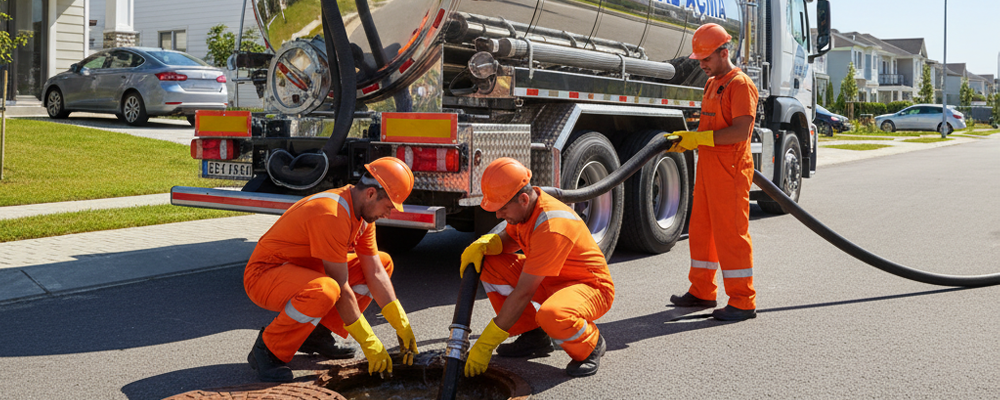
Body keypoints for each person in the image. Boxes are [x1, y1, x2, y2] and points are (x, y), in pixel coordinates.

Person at [243, 157, 420, 382]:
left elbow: (375, 271)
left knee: (384, 262)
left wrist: (401, 323)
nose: (389, 214)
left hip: (299, 270)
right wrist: (369, 341)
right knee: (326, 290)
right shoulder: (332, 213)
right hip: (264, 275)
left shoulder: (363, 216)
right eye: (388, 206)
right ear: (371, 194)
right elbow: (341, 286)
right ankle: (267, 349)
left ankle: (315, 334)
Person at [461, 157, 615, 378]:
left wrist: (486, 343)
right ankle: (533, 335)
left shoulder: (551, 225)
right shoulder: (527, 212)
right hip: (552, 281)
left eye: (502, 208)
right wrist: (486, 244)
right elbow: (511, 239)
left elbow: (524, 292)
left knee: (553, 315)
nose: (498, 215)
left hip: (590, 287)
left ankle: (590, 344)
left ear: (523, 199)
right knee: (490, 263)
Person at [666, 23, 759, 321]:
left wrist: (699, 139)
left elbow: (741, 131)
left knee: (731, 236)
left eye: (706, 59)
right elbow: (710, 127)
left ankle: (743, 301)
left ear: (724, 52)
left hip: (730, 172)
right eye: (700, 60)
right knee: (702, 232)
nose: (702, 65)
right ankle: (702, 291)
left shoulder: (740, 84)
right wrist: (688, 139)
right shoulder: (711, 83)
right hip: (708, 170)